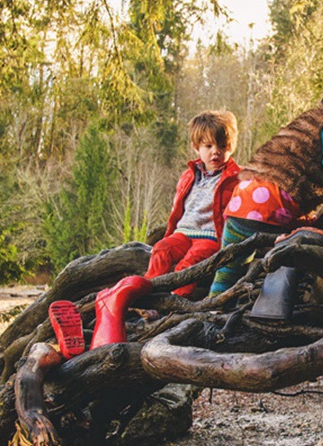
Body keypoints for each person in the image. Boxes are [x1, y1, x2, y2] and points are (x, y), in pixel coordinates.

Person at [49, 110, 240, 358]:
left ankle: (172, 307)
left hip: (211, 236)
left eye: (222, 146)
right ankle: (145, 301)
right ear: (196, 147)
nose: (216, 152)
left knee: (190, 263)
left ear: (231, 147)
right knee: (161, 250)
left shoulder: (235, 178)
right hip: (183, 231)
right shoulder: (189, 175)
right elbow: (178, 207)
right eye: (208, 146)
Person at [208, 82, 323, 296]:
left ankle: (214, 308)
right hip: (270, 208)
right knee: (293, 257)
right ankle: (274, 310)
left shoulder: (312, 121)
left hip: (243, 200)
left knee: (229, 270)